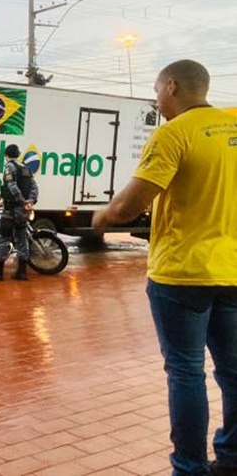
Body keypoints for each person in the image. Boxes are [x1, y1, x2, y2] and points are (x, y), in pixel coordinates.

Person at [92, 60, 237, 476]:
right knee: (232, 370)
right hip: (233, 273)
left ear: (171, 86)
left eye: (157, 91)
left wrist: (102, 219)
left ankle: (189, 468)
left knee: (186, 373)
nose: (157, 100)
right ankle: (231, 456)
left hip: (183, 275)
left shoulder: (174, 134)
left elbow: (127, 207)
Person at [0, 144, 38, 281]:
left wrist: (21, 201)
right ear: (18, 153)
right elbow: (34, 187)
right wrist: (30, 201)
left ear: (6, 155)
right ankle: (21, 272)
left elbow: (12, 186)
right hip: (23, 212)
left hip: (11, 210)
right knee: (21, 239)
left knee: (2, 238)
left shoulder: (10, 167)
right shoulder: (25, 167)